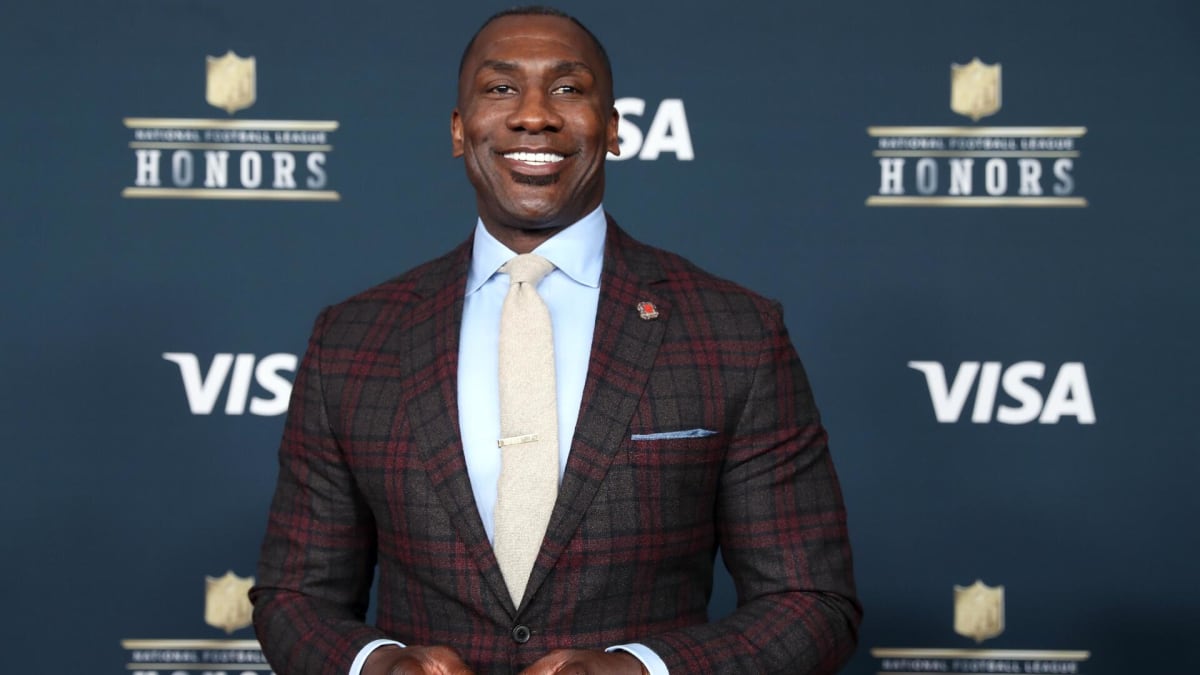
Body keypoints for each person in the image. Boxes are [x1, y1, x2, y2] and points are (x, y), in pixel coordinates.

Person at [250, 6, 861, 674]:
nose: (534, 115)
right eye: (500, 88)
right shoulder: (352, 338)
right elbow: (295, 598)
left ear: (614, 129)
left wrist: (642, 670)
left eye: (568, 88)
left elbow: (811, 601)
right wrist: (376, 665)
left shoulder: (735, 332)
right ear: (459, 129)